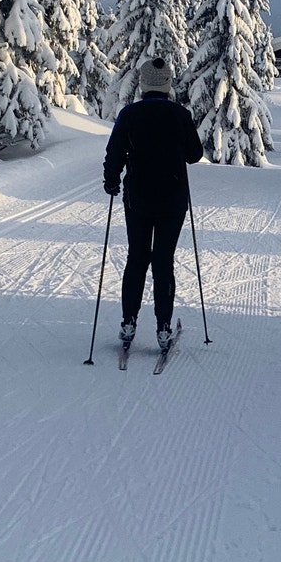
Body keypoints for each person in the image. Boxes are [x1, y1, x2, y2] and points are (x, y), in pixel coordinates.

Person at [103, 58, 204, 355]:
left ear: (143, 84)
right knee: (163, 260)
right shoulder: (180, 114)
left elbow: (114, 152)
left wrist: (112, 181)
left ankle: (128, 322)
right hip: (172, 199)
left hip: (138, 198)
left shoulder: (130, 114)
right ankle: (163, 327)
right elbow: (194, 155)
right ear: (168, 84)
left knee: (137, 257)